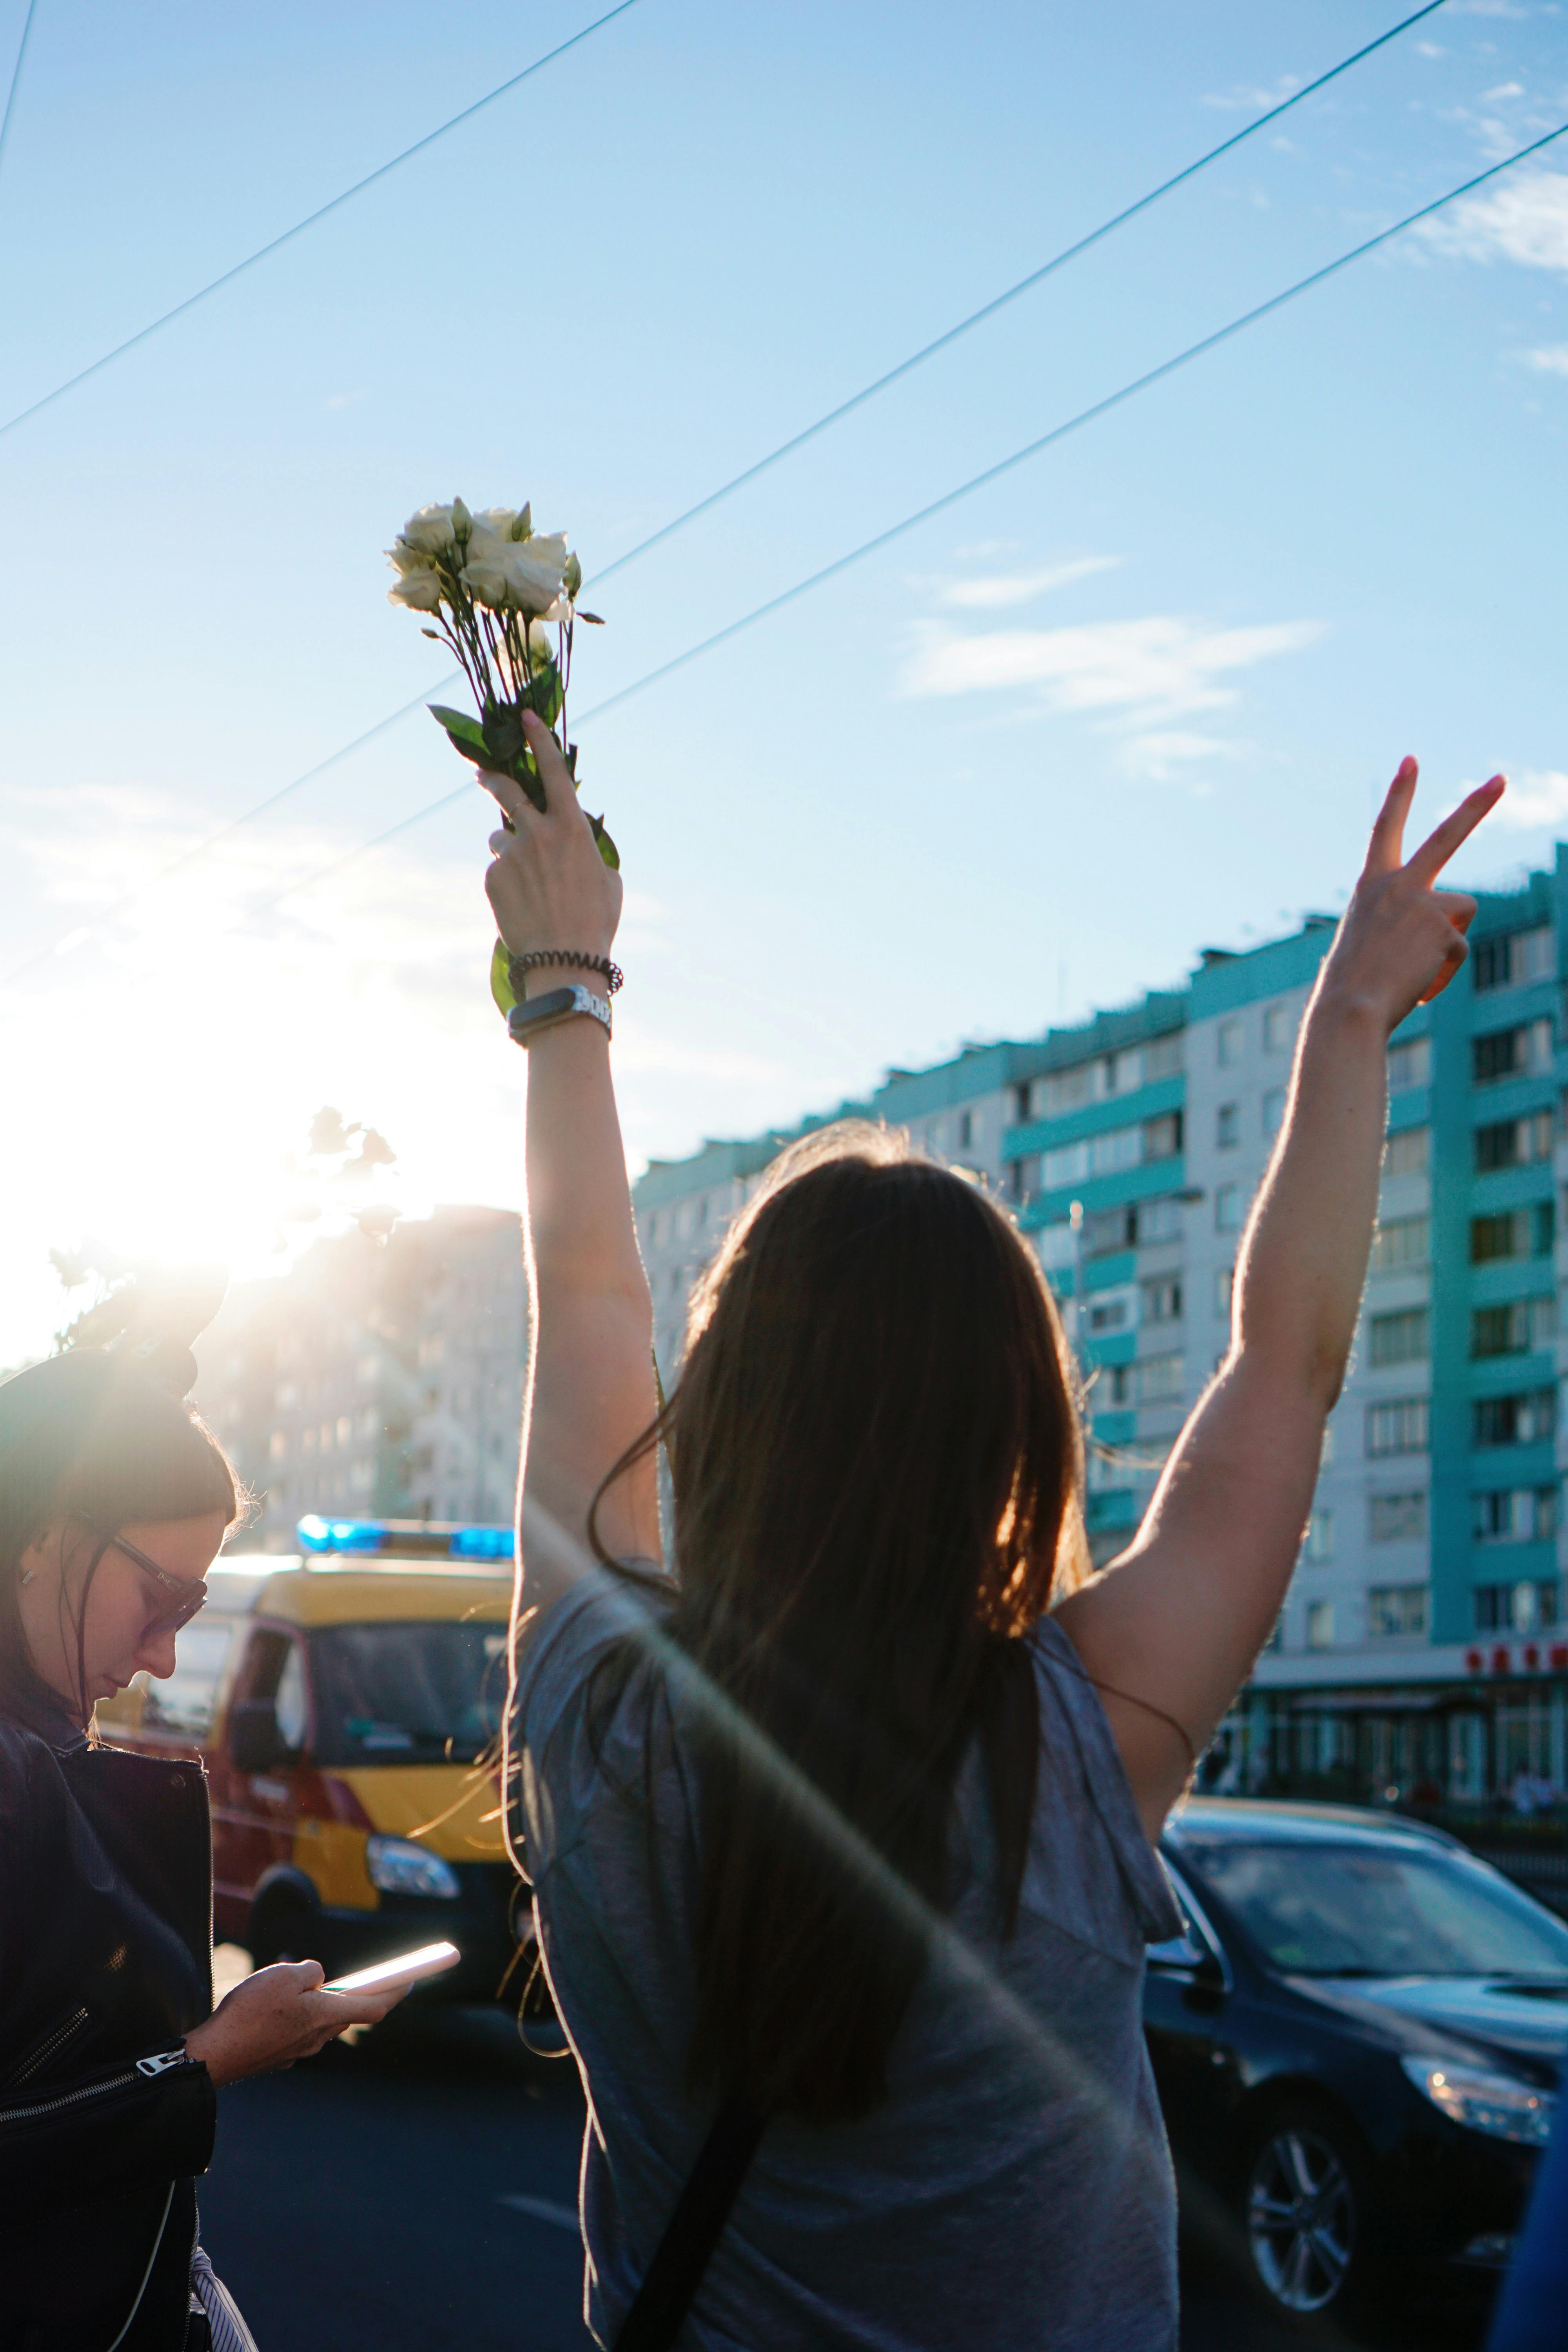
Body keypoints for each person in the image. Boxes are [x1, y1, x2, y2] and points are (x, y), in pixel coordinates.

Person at [486, 713, 1502, 2352]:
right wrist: (1348, 1023)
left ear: (727, 1414)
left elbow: (588, 1290)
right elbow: (1287, 1363)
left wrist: (565, 981)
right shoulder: (1086, 1742)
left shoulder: (595, 1713)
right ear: (1015, 1442)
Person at [0, 1345, 406, 2352]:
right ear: (40, 1538)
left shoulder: (41, 1748)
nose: (165, 1657)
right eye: (160, 1600)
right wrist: (211, 2059)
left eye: (192, 1611)